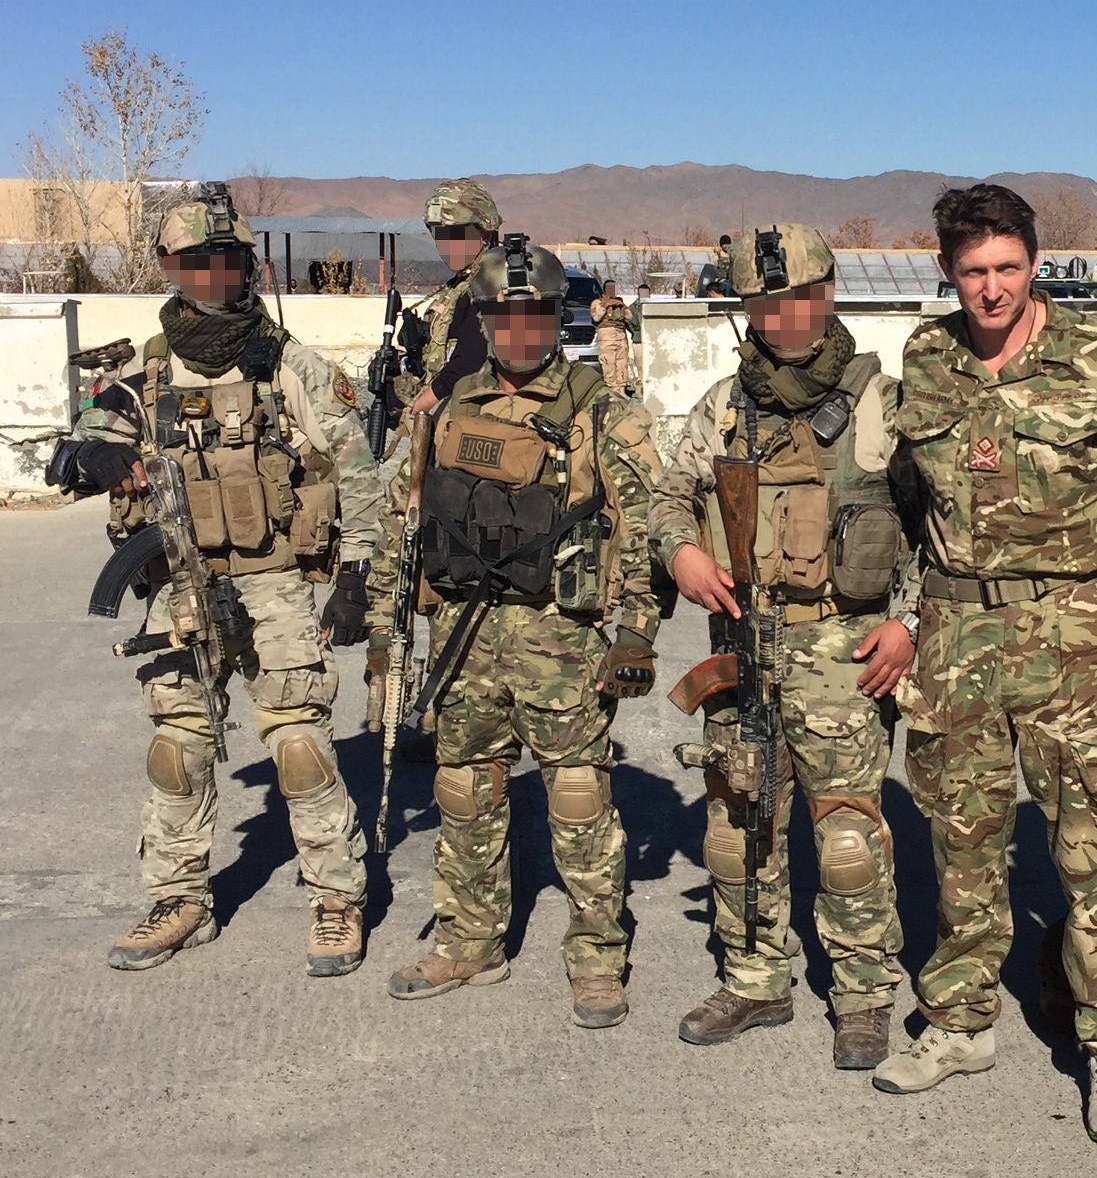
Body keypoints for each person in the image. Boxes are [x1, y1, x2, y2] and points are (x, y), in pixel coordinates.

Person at [872, 182, 1097, 1146]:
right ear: (948, 274)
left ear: (1034, 263)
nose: (990, 289)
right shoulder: (929, 356)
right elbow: (915, 502)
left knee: (1090, 848)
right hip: (957, 637)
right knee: (962, 842)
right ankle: (959, 1021)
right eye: (972, 272)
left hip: (1068, 635)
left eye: (1007, 268)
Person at [47, 184, 379, 977]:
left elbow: (361, 474)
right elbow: (70, 453)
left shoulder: (289, 364)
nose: (212, 276)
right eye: (194, 263)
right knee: (177, 748)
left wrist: (360, 576)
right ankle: (180, 898)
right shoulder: (141, 372)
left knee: (298, 745)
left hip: (274, 583)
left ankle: (336, 899)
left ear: (246, 265)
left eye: (225, 261)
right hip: (178, 586)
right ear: (170, 267)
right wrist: (93, 455)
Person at [367, 236, 665, 1029]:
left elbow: (644, 528)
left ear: (554, 315)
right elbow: (400, 528)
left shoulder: (603, 412)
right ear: (486, 318)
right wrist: (381, 636)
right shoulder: (448, 405)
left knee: (577, 797)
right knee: (465, 792)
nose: (521, 331)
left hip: (562, 644)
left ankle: (597, 956)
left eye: (535, 314)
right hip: (463, 639)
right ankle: (470, 940)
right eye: (505, 314)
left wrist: (634, 632)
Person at [651, 223, 916, 1069]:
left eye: (800, 298)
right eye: (767, 303)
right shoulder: (725, 407)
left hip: (841, 653)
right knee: (739, 825)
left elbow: (942, 526)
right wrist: (681, 551)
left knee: (846, 837)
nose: (785, 316)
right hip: (743, 647)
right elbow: (667, 497)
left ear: (829, 295)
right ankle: (756, 977)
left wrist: (906, 621)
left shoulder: (882, 403)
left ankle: (864, 995)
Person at [398, 178, 501, 423]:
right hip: (454, 409)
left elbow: (472, 358)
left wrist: (425, 400)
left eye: (455, 234)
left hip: (476, 414)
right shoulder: (461, 283)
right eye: (439, 235)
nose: (445, 245)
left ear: (484, 233)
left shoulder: (493, 283)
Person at [593, 278, 635, 396]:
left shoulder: (620, 302)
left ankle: (621, 390)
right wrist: (605, 305)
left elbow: (629, 317)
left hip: (620, 336)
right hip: (607, 336)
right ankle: (611, 391)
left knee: (622, 364)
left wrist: (622, 307)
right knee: (608, 364)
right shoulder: (598, 302)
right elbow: (596, 317)